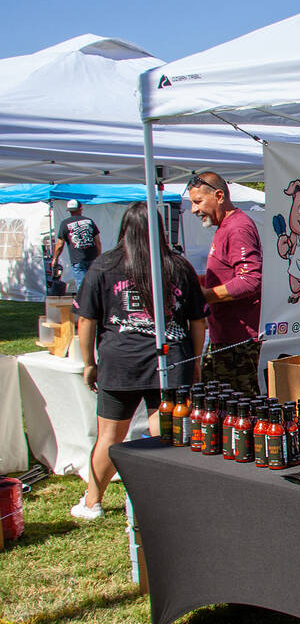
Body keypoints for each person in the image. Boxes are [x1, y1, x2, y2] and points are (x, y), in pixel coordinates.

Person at [70, 202, 208, 520]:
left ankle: (92, 502)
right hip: (170, 360)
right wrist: (196, 360)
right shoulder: (177, 266)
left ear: (124, 229)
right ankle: (167, 498)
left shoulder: (104, 266)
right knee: (166, 432)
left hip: (122, 360)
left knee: (110, 435)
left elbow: (86, 320)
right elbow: (198, 321)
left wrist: (88, 361)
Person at [187, 172, 263, 396]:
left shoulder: (237, 228)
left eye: (198, 202)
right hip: (226, 335)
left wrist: (204, 295)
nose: (194, 210)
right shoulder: (226, 227)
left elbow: (251, 279)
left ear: (219, 195)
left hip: (237, 339)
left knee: (239, 406)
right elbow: (228, 274)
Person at [53, 199, 101, 291]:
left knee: (82, 288)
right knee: (94, 285)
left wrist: (55, 258)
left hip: (77, 260)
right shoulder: (89, 221)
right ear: (80, 208)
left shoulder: (65, 224)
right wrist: (98, 257)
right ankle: (96, 304)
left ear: (69, 211)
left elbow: (59, 244)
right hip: (92, 258)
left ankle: (84, 304)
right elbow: (97, 241)